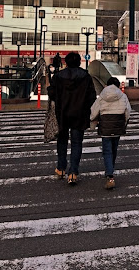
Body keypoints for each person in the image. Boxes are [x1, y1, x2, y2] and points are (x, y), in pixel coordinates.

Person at [48, 52, 96, 185]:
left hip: (62, 113)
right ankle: (73, 172)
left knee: (62, 141)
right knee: (76, 143)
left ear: (66, 62)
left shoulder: (58, 76)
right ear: (79, 62)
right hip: (79, 114)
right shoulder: (85, 76)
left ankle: (61, 168)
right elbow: (91, 96)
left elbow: (51, 92)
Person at [90, 77, 131, 190]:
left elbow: (94, 111)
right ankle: (110, 169)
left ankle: (110, 174)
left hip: (105, 127)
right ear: (118, 86)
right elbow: (128, 111)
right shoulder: (123, 96)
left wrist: (92, 121)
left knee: (107, 151)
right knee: (114, 149)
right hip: (117, 126)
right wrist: (124, 123)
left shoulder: (102, 96)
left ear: (106, 85)